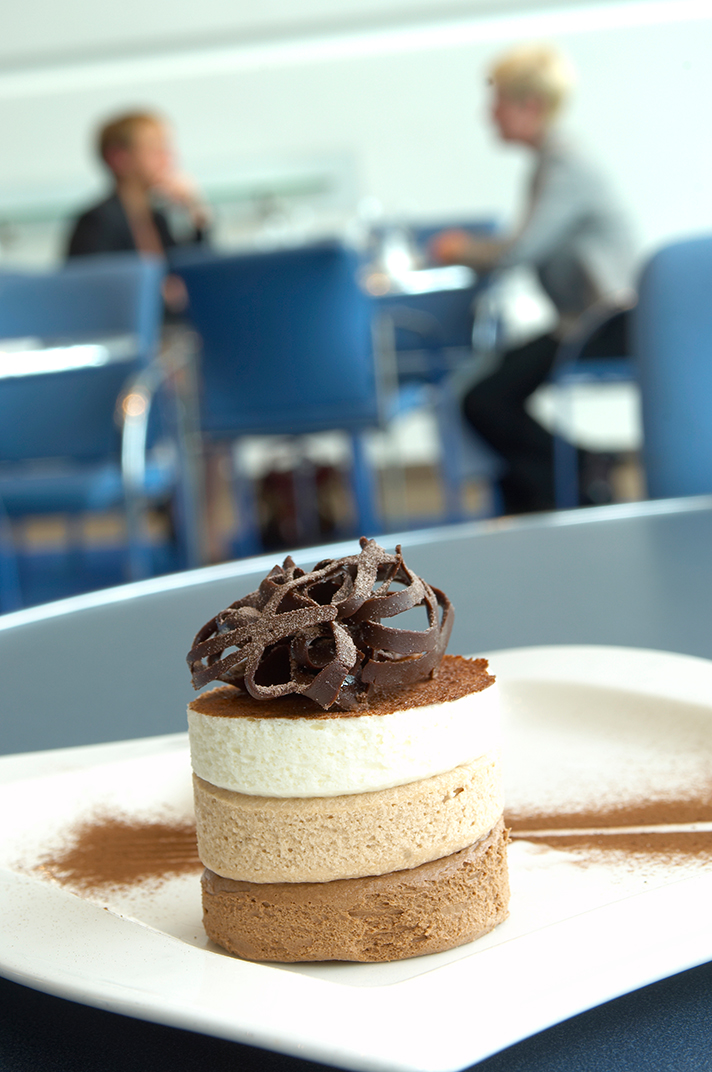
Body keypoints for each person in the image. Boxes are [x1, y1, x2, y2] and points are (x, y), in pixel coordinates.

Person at [431, 44, 636, 514]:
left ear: (531, 106)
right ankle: (568, 477)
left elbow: (518, 250)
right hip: (582, 321)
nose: (489, 114)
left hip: (606, 324)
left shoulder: (566, 166)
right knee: (485, 391)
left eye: (498, 100)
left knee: (485, 399)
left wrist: (462, 249)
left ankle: (572, 476)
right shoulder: (551, 163)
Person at [66, 110, 210, 313]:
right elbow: (95, 295)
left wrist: (195, 208)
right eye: (155, 149)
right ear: (119, 158)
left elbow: (197, 275)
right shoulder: (96, 222)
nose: (168, 158)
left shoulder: (158, 216)